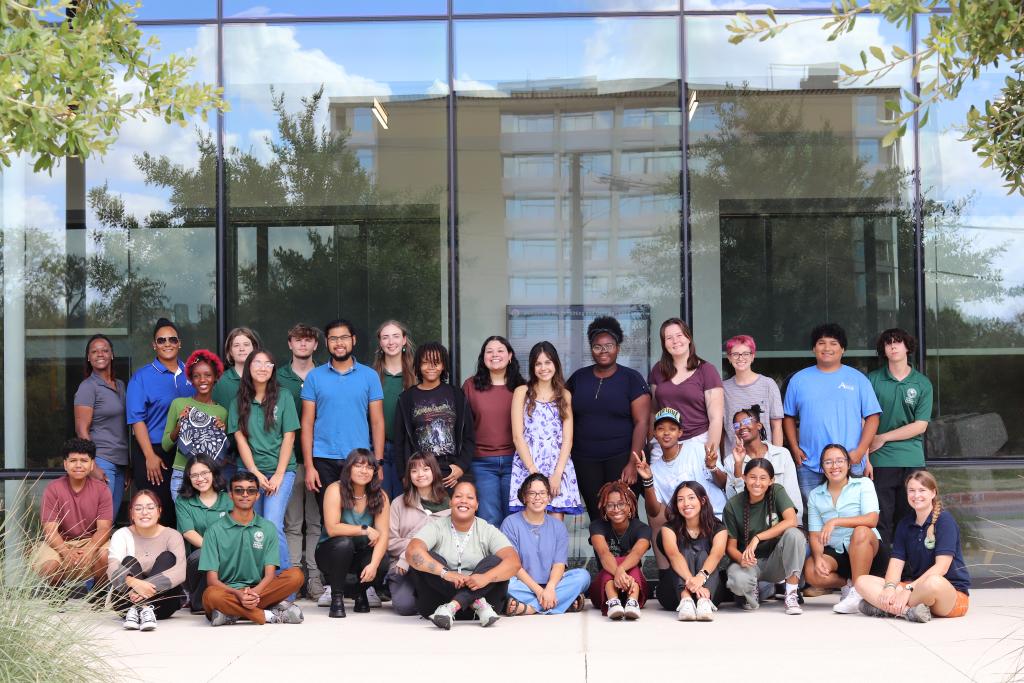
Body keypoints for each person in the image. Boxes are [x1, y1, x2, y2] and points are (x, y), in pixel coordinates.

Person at [782, 323, 882, 502]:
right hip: (810, 465)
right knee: (814, 519)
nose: (827, 348)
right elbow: (788, 417)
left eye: (833, 343)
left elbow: (873, 417)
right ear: (813, 348)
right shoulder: (798, 380)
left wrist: (860, 452)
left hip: (850, 463)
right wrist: (794, 447)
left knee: (851, 517)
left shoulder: (858, 379)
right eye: (821, 343)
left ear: (843, 349)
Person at [855, 471, 970, 622]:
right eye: (912, 491)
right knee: (862, 581)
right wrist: (890, 587)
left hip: (949, 594)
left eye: (922, 490)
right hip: (916, 590)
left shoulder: (944, 521)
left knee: (933, 582)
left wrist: (908, 589)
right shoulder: (905, 524)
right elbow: (896, 564)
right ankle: (908, 612)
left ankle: (884, 607)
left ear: (933, 493)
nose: (916, 495)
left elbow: (941, 568)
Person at [567, 316, 651, 520]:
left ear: (618, 348)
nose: (603, 351)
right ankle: (602, 553)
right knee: (598, 515)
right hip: (585, 460)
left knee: (623, 512)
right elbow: (562, 416)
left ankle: (629, 553)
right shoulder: (578, 379)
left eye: (609, 345)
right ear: (591, 349)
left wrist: (632, 463)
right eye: (597, 347)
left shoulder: (631, 379)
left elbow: (642, 423)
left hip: (621, 458)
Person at [405, 481, 521, 630]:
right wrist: (445, 573)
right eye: (458, 496)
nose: (464, 501)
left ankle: (454, 606)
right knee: (429, 556)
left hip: (484, 609)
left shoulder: (487, 530)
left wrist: (485, 578)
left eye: (470, 497)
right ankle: (471, 602)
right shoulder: (437, 527)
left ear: (477, 505)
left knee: (496, 561)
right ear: (450, 502)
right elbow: (412, 552)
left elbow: (514, 562)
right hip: (437, 605)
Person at [198, 471, 305, 626]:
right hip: (228, 592)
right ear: (231, 495)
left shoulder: (268, 528)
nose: (245, 494)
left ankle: (231, 614)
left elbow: (269, 575)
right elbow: (212, 580)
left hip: (260, 591)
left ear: (257, 496)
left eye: (251, 490)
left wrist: (254, 593)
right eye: (239, 490)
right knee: (210, 596)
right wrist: (238, 594)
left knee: (296, 575)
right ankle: (267, 615)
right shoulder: (214, 530)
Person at [301, 318, 385, 512]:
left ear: (353, 340)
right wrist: (309, 466)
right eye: (333, 338)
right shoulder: (315, 376)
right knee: (328, 518)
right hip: (323, 460)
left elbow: (377, 422)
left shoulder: (369, 376)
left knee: (358, 515)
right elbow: (307, 423)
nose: (339, 343)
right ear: (327, 342)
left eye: (344, 337)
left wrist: (378, 463)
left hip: (359, 460)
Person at [230, 349, 299, 571]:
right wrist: (255, 474)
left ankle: (284, 587)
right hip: (250, 473)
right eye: (257, 363)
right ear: (248, 367)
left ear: (273, 369)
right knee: (253, 526)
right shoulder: (238, 401)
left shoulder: (284, 396)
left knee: (271, 524)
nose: (262, 367)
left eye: (267, 364)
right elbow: (240, 440)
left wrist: (278, 474)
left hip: (281, 471)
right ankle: (258, 580)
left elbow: (290, 435)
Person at [126, 318, 195, 526]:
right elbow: (136, 420)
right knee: (158, 510)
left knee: (185, 510)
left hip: (185, 451)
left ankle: (186, 557)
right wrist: (150, 456)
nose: (167, 344)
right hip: (154, 451)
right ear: (154, 345)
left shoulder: (192, 374)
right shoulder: (142, 377)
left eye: (172, 339)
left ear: (179, 343)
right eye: (161, 340)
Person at [804, 444, 888, 614]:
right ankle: (849, 585)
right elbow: (814, 534)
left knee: (861, 530)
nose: (834, 466)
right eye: (828, 462)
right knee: (811, 570)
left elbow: (872, 519)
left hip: (866, 548)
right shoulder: (815, 495)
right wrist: (819, 556)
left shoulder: (863, 484)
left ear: (849, 464)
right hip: (837, 551)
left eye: (839, 461)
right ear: (822, 467)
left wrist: (835, 521)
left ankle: (858, 592)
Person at [867, 328, 933, 545]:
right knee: (882, 519)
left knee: (912, 518)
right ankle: (885, 570)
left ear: (907, 347)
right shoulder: (872, 380)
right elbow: (863, 421)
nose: (893, 346)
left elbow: (920, 426)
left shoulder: (922, 383)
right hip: (880, 461)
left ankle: (910, 573)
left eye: (898, 342)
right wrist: (866, 457)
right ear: (883, 350)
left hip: (912, 460)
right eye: (888, 343)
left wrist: (883, 437)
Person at [509, 341, 583, 520]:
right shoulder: (522, 392)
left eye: (548, 362)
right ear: (532, 367)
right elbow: (518, 437)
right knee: (529, 526)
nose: (543, 368)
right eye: (538, 363)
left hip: (557, 467)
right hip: (528, 466)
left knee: (555, 525)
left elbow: (567, 439)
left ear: (556, 364)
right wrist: (534, 473)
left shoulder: (564, 395)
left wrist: (557, 474)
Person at [723, 458, 806, 615]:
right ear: (744, 478)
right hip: (750, 564)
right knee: (738, 582)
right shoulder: (733, 505)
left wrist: (757, 538)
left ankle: (791, 594)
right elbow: (730, 547)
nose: (757, 483)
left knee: (794, 534)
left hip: (777, 561)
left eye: (763, 478)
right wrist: (742, 559)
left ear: (771, 481)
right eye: (753, 477)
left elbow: (792, 521)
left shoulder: (777, 491)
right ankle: (756, 589)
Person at [278, 323, 324, 600]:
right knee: (293, 523)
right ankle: (294, 577)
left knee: (317, 523)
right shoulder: (279, 376)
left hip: (320, 459)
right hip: (289, 460)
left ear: (315, 345)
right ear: (290, 344)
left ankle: (315, 578)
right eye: (298, 340)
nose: (303, 345)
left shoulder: (323, 375)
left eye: (308, 340)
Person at [501, 474, 590, 616]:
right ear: (524, 497)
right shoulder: (510, 523)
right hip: (523, 585)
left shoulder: (558, 526)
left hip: (553, 585)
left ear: (549, 497)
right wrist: (539, 591)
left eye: (542, 493)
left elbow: (559, 564)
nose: (537, 497)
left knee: (583, 576)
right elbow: (514, 566)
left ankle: (530, 608)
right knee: (505, 584)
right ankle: (561, 603)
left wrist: (550, 589)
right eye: (532, 493)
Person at [315, 449, 390, 618]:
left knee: (382, 560)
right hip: (331, 553)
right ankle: (337, 596)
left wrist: (374, 565)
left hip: (360, 552)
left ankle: (360, 593)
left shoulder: (380, 495)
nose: (364, 471)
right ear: (348, 468)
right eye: (358, 465)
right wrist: (364, 529)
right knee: (344, 544)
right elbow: (333, 528)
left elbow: (383, 535)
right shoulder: (335, 489)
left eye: (370, 467)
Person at [32, 438, 113, 589]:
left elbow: (104, 529)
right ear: (65, 464)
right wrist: (65, 551)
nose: (78, 465)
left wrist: (90, 548)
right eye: (73, 460)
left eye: (84, 460)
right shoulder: (53, 489)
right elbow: (50, 531)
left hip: (90, 541)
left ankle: (98, 591)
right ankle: (56, 592)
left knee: (106, 555)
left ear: (92, 464)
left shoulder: (102, 490)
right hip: (61, 541)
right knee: (49, 565)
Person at [393, 342, 476, 489]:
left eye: (436, 363)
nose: (431, 367)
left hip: (451, 470)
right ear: (418, 365)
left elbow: (469, 436)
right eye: (425, 363)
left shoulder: (456, 395)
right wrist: (403, 475)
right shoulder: (406, 399)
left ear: (443, 365)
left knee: (451, 511)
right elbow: (399, 442)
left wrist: (460, 467)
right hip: (420, 471)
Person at [463, 335, 525, 527]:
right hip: (482, 463)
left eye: (500, 351)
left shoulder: (522, 388)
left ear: (510, 356)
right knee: (489, 519)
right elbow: (463, 427)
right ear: (483, 357)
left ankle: (515, 558)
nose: (495, 355)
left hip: (515, 461)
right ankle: (494, 558)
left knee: (516, 517)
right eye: (489, 351)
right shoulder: (471, 386)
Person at [106, 490, 186, 631]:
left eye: (150, 507)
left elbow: (180, 571)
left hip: (163, 603)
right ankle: (142, 609)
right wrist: (132, 582)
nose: (145, 512)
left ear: (159, 511)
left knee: (167, 557)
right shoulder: (121, 534)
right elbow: (112, 567)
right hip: (126, 604)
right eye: (138, 508)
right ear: (131, 513)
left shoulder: (172, 535)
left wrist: (142, 588)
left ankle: (142, 607)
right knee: (129, 560)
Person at [648, 318, 723, 463]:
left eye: (679, 335)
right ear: (664, 343)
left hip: (699, 442)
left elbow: (716, 419)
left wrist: (710, 453)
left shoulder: (707, 370)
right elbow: (654, 412)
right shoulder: (658, 370)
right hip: (665, 443)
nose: (675, 341)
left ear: (688, 338)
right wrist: (653, 441)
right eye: (669, 338)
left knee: (696, 486)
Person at [387, 452, 451, 616]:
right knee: (405, 607)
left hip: (435, 568)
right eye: (414, 471)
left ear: (434, 472)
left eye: (425, 469)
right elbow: (390, 542)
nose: (420, 474)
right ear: (409, 475)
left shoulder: (449, 504)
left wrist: (417, 549)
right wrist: (410, 551)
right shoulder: (399, 503)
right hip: (404, 568)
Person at [657, 481, 729, 621]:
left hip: (710, 590)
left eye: (691, 498)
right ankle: (686, 600)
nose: (685, 503)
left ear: (702, 500)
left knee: (704, 555)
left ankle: (703, 601)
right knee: (684, 552)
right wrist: (692, 581)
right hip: (674, 592)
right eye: (680, 500)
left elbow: (716, 555)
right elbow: (674, 555)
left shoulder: (718, 527)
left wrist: (700, 578)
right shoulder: (668, 528)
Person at [74, 333, 129, 516]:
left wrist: (128, 465)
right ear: (88, 358)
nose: (100, 354)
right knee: (101, 520)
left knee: (110, 519)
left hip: (120, 461)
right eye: (94, 351)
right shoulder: (87, 387)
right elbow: (81, 429)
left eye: (105, 350)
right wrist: (92, 465)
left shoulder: (120, 385)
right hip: (102, 459)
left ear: (112, 354)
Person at [163, 349, 228, 505]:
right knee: (186, 525)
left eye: (207, 375)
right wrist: (179, 426)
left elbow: (221, 454)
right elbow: (166, 445)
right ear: (191, 379)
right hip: (181, 474)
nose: (202, 380)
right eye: (196, 376)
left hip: (209, 476)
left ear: (216, 377)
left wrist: (222, 431)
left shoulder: (222, 412)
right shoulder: (179, 404)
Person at [174, 454, 232, 613]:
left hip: (228, 558)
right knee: (202, 555)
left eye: (204, 473)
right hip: (195, 563)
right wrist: (214, 551)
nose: (200, 478)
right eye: (194, 475)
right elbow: (188, 532)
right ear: (188, 478)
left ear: (213, 473)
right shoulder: (183, 501)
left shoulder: (228, 499)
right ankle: (199, 603)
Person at [723, 407, 802, 520]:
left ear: (758, 426)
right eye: (736, 426)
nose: (741, 427)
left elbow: (793, 493)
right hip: (750, 524)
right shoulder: (730, 461)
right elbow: (733, 501)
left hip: (783, 521)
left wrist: (796, 523)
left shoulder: (782, 454)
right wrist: (738, 465)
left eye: (746, 422)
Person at [588, 481, 651, 620]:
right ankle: (613, 602)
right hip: (603, 591)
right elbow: (604, 554)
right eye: (610, 505)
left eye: (621, 504)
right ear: (604, 508)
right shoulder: (596, 526)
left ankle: (632, 602)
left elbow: (636, 554)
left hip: (634, 586)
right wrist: (618, 572)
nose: (616, 509)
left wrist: (620, 570)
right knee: (609, 566)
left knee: (630, 564)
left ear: (630, 505)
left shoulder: (643, 529)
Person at [373, 319, 417, 501]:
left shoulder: (417, 374)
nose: (391, 342)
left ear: (404, 340)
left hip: (407, 450)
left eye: (396, 336)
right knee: (380, 502)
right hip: (377, 449)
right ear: (380, 343)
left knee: (405, 502)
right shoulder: (371, 375)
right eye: (385, 337)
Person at [722, 335, 784, 453]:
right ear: (729, 358)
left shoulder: (768, 384)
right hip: (734, 458)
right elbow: (721, 430)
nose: (740, 358)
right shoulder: (723, 389)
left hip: (764, 460)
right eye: (735, 354)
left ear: (752, 356)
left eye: (745, 353)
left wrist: (777, 458)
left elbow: (777, 427)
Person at [211, 327, 260, 413]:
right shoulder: (220, 382)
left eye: (246, 344)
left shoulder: (263, 378)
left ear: (254, 348)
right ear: (230, 351)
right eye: (236, 345)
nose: (242, 349)